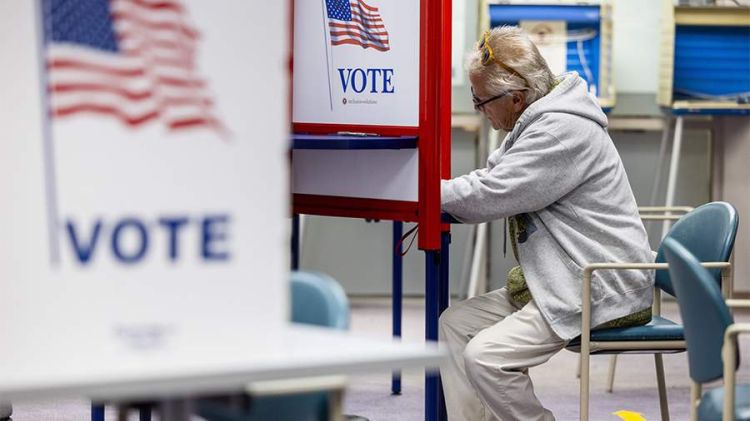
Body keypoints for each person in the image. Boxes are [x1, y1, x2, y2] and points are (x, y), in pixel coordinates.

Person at [439, 26, 654, 421]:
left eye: (479, 100)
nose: (478, 110)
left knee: (486, 358)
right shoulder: (534, 118)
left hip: (597, 284)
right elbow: (493, 179)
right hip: (563, 277)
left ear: (515, 97)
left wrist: (422, 194)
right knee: (455, 324)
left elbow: (492, 193)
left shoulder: (560, 130)